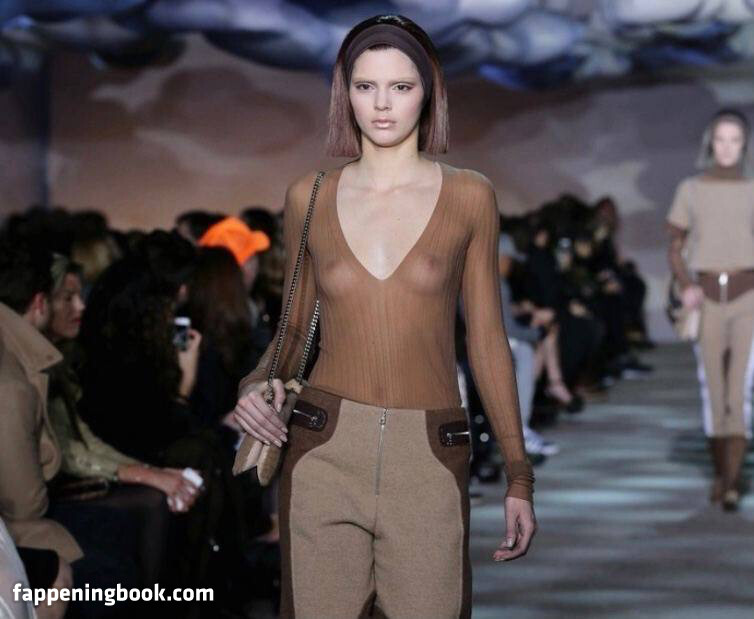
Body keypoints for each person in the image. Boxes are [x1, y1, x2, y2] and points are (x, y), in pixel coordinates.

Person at [233, 14, 536, 618]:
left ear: (428, 93)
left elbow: (487, 342)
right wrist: (253, 385)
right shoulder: (309, 195)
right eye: (365, 86)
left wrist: (519, 475)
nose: (382, 104)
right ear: (344, 93)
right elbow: (292, 328)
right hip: (323, 444)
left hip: (428, 453)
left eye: (401, 86)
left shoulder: (470, 195)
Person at [667, 108, 754, 511]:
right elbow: (675, 247)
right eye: (721, 139)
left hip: (747, 296)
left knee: (740, 391)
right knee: (713, 390)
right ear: (710, 143)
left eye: (735, 139)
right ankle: (721, 472)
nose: (727, 147)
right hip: (705, 298)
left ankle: (732, 482)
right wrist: (686, 285)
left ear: (745, 144)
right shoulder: (691, 189)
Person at [0, 242, 79, 619]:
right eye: (67, 297)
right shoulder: (12, 380)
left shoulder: (32, 359)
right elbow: (26, 502)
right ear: (40, 302)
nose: (78, 307)